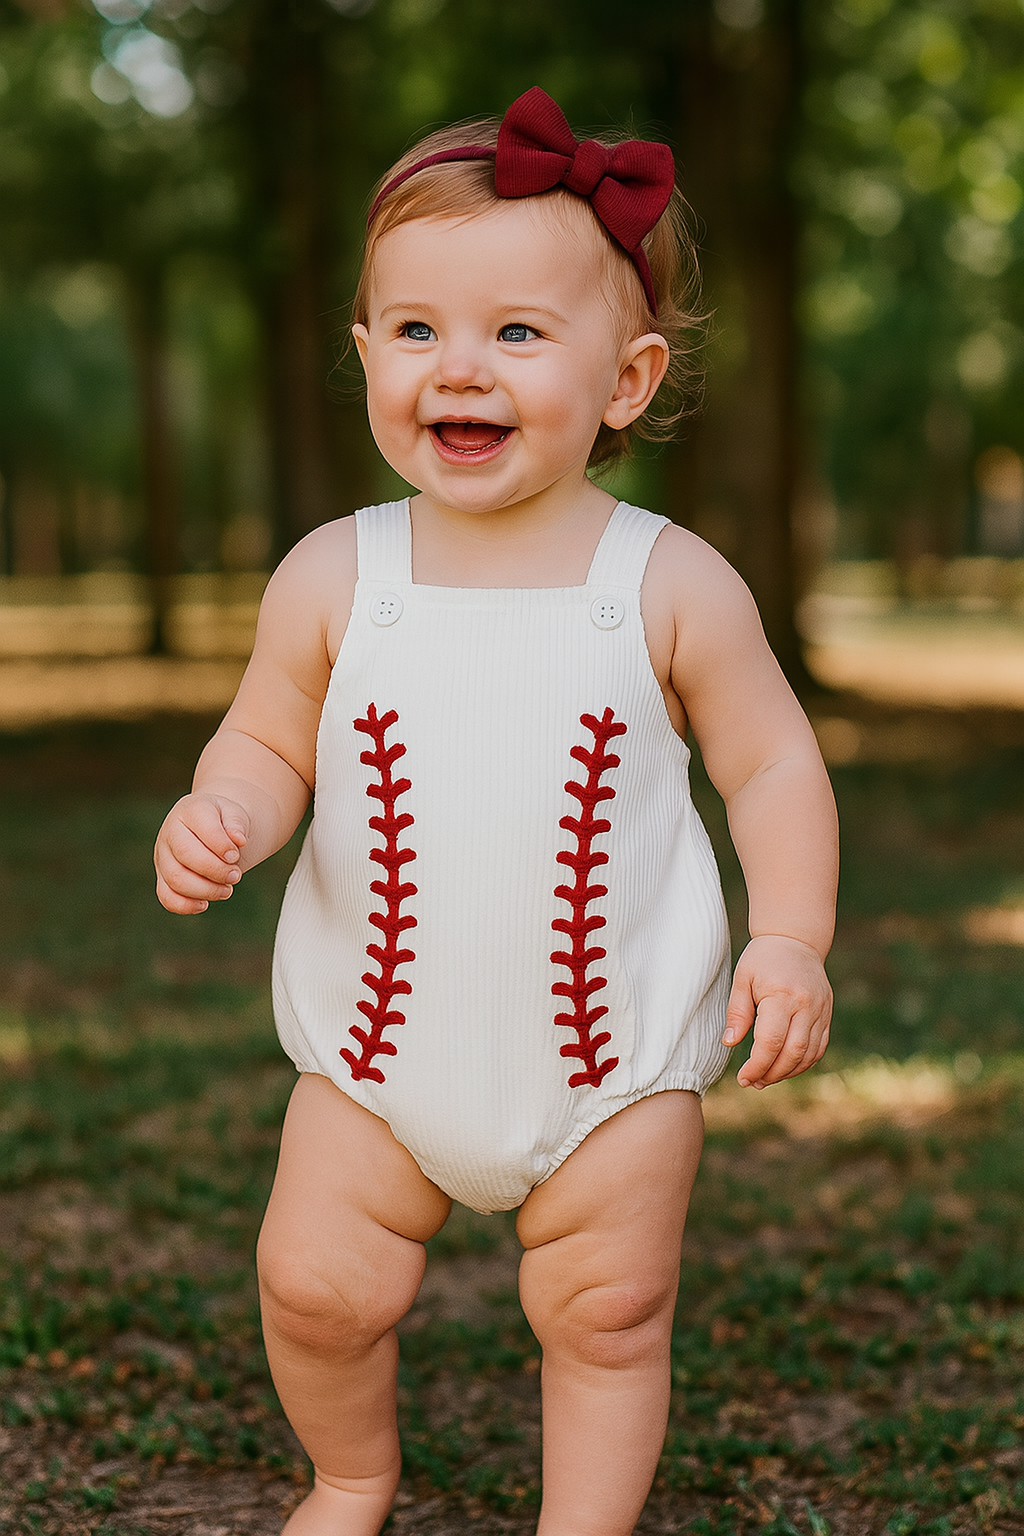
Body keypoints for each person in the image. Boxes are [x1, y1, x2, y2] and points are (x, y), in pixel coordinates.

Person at [154, 86, 837, 1536]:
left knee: (608, 1309)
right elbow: (271, 739)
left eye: (518, 333)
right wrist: (227, 805)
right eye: (416, 331)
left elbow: (771, 765)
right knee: (316, 1289)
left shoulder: (667, 581)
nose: (459, 367)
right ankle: (349, 1474)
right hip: (372, 1040)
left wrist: (792, 936)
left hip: (611, 1055)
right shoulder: (337, 575)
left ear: (628, 380)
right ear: (364, 357)